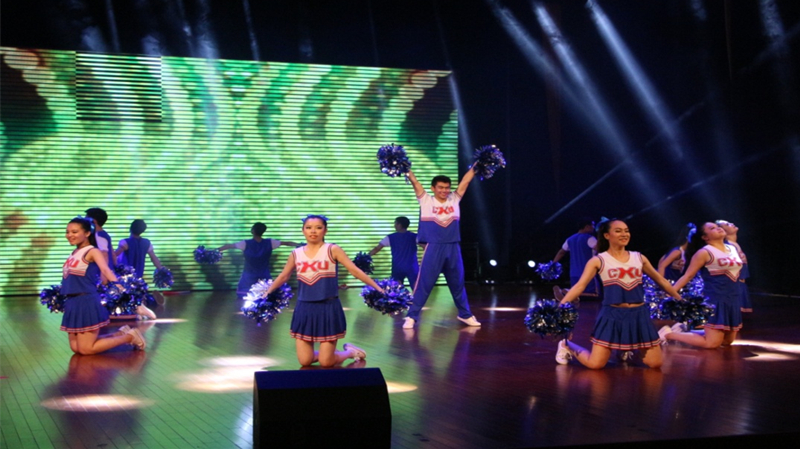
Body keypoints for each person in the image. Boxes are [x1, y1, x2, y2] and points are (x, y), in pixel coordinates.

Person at [555, 219, 681, 369]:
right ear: (607, 235)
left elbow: (661, 280)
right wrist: (561, 306)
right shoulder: (599, 260)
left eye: (626, 231)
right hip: (612, 314)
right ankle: (566, 346)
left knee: (655, 363)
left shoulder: (638, 257)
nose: (624, 234)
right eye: (618, 231)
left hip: (639, 314)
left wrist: (680, 299)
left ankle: (625, 349)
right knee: (595, 364)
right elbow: (579, 286)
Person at [264, 215, 384, 367]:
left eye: (318, 228)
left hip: (328, 307)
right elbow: (283, 276)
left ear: (325, 230)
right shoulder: (296, 253)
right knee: (305, 361)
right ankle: (331, 353)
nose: (313, 231)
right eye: (308, 228)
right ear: (303, 230)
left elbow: (354, 270)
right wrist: (266, 293)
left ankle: (349, 352)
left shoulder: (332, 249)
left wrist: (378, 288)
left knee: (326, 362)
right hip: (304, 308)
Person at [402, 168, 481, 329]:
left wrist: (476, 167)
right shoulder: (426, 200)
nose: (444, 191)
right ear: (433, 188)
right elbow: (414, 182)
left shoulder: (454, 199)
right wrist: (405, 168)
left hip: (453, 247)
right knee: (424, 284)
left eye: (447, 188)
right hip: (434, 247)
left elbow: (465, 181)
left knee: (457, 283)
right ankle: (411, 316)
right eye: (440, 187)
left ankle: (465, 314)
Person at [60, 216, 146, 354]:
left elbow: (105, 270)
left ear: (87, 233)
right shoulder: (74, 252)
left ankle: (130, 337)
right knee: (76, 348)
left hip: (86, 300)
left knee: (86, 349)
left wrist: (119, 287)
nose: (69, 235)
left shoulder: (92, 251)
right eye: (67, 232)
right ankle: (120, 334)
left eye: (74, 232)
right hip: (72, 302)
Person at [659, 222, 744, 348]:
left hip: (733, 298)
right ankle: (668, 334)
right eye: (712, 228)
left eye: (717, 226)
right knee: (712, 343)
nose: (718, 228)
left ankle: (684, 330)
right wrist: (671, 291)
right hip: (715, 299)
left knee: (727, 341)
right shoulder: (704, 252)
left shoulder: (732, 248)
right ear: (705, 237)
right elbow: (688, 275)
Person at [217, 222, 299, 298]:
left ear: (253, 231)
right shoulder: (270, 242)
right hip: (264, 274)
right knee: (267, 295)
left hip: (248, 275)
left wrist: (216, 250)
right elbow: (287, 243)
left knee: (244, 295)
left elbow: (229, 246)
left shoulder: (245, 243)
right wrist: (300, 245)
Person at [114, 219, 159, 319]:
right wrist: (160, 269)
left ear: (130, 228)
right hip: (138, 275)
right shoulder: (146, 243)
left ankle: (131, 312)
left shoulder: (125, 242)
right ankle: (139, 313)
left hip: (125, 275)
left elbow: (115, 254)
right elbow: (154, 258)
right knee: (137, 294)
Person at [368, 216, 420, 288]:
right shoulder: (414, 236)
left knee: (397, 289)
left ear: (399, 225)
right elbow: (425, 247)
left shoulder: (390, 237)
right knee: (416, 289)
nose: (394, 225)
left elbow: (377, 249)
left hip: (397, 268)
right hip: (412, 267)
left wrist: (366, 257)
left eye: (395, 223)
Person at [553, 217, 599, 298]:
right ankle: (568, 292)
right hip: (588, 273)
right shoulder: (589, 238)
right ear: (587, 226)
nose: (594, 227)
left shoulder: (570, 239)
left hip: (574, 274)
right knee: (595, 294)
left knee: (578, 295)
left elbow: (561, 252)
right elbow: (601, 249)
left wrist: (553, 264)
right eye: (593, 225)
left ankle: (568, 293)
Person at [716, 219, 751, 313]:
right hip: (734, 285)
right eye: (727, 224)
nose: (732, 224)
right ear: (723, 230)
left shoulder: (734, 244)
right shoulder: (728, 246)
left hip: (740, 283)